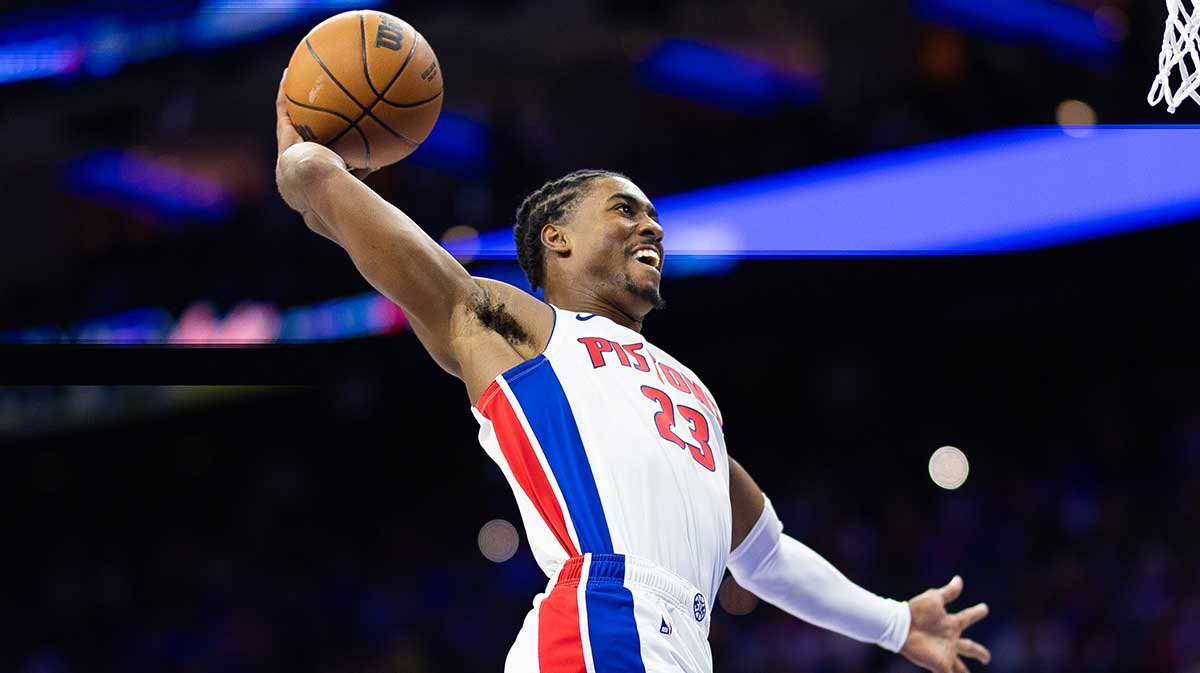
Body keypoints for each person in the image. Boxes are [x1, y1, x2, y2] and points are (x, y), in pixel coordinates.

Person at [274, 73, 991, 673]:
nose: (651, 226)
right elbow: (386, 241)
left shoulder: (691, 390)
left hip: (672, 639)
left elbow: (765, 553)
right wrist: (309, 165)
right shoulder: (524, 331)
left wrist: (896, 622)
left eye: (653, 215)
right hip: (602, 620)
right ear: (556, 238)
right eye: (625, 209)